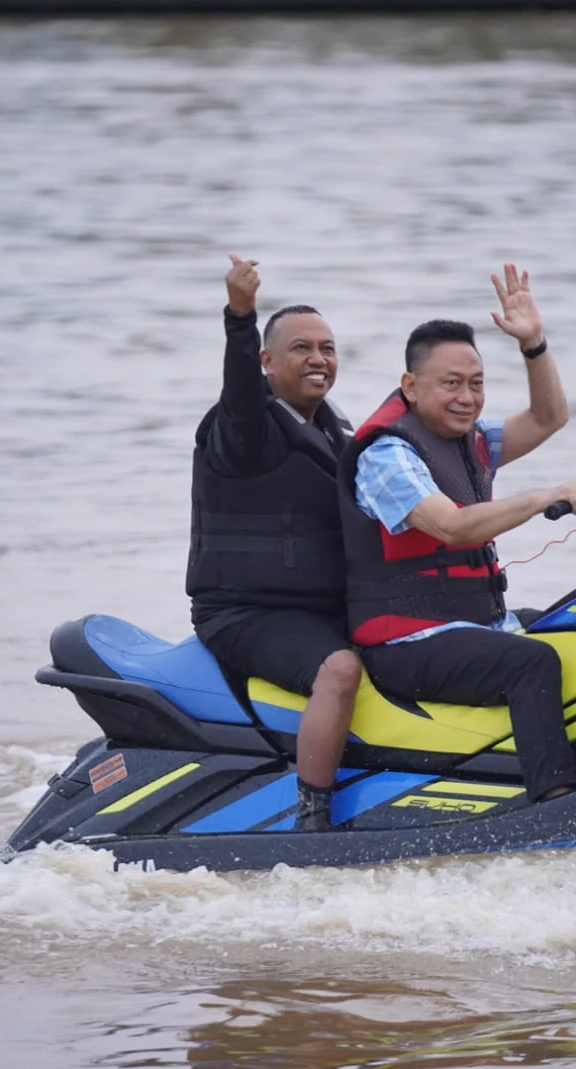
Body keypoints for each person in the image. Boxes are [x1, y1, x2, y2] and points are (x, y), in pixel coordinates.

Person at [338, 263, 576, 803]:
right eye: (451, 384)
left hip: (468, 622)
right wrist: (540, 497)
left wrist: (533, 344)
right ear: (410, 386)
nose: (467, 397)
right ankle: (556, 801)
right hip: (404, 642)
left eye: (477, 384)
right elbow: (451, 527)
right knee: (532, 661)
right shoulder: (387, 454)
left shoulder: (472, 439)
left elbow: (550, 417)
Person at [186, 254, 364, 831]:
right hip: (245, 612)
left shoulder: (338, 429)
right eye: (302, 348)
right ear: (266, 362)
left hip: (323, 607)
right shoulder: (245, 428)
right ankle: (311, 813)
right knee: (338, 671)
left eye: (328, 348)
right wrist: (240, 316)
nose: (319, 358)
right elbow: (238, 391)